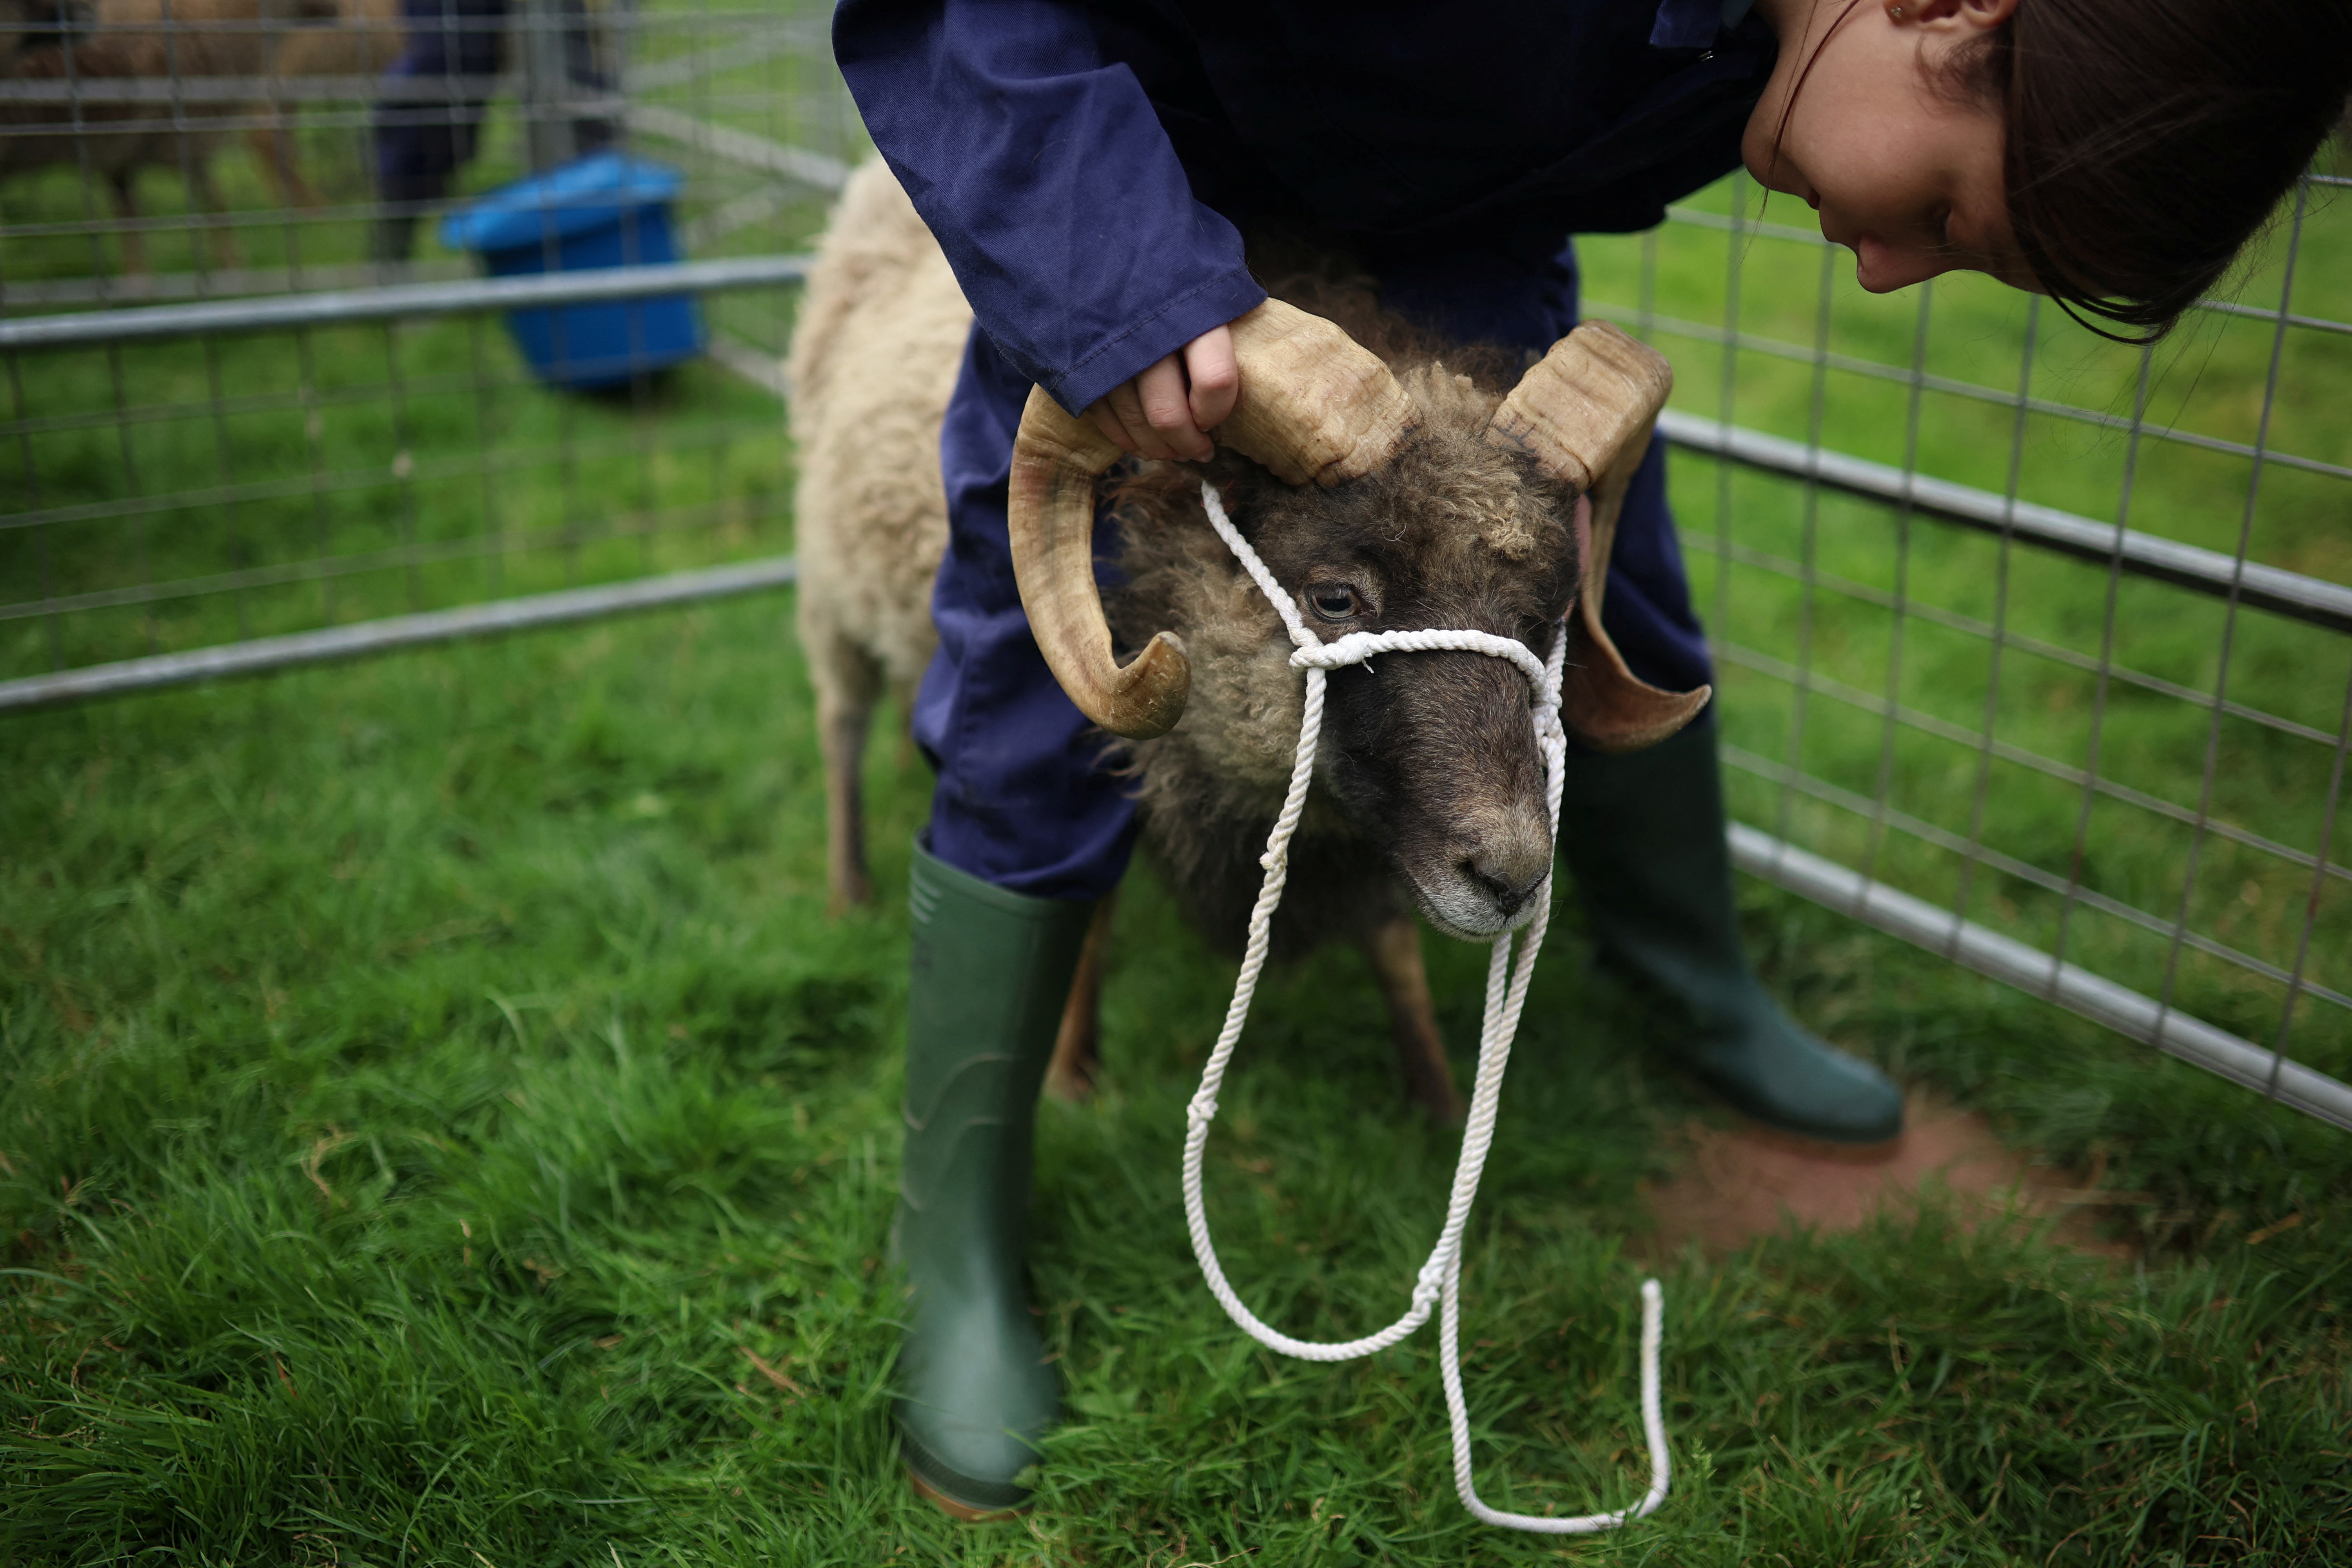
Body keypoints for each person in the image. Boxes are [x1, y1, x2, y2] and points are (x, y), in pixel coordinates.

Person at [833, 0, 2352, 1516]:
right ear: (1951, 6)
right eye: (1950, 206)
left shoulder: (1774, 61)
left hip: (1449, 218)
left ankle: (1698, 979)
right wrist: (1116, 284)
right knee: (1043, 682)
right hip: (1127, 201)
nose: (1887, 267)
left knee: (1594, 581)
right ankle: (957, 1239)